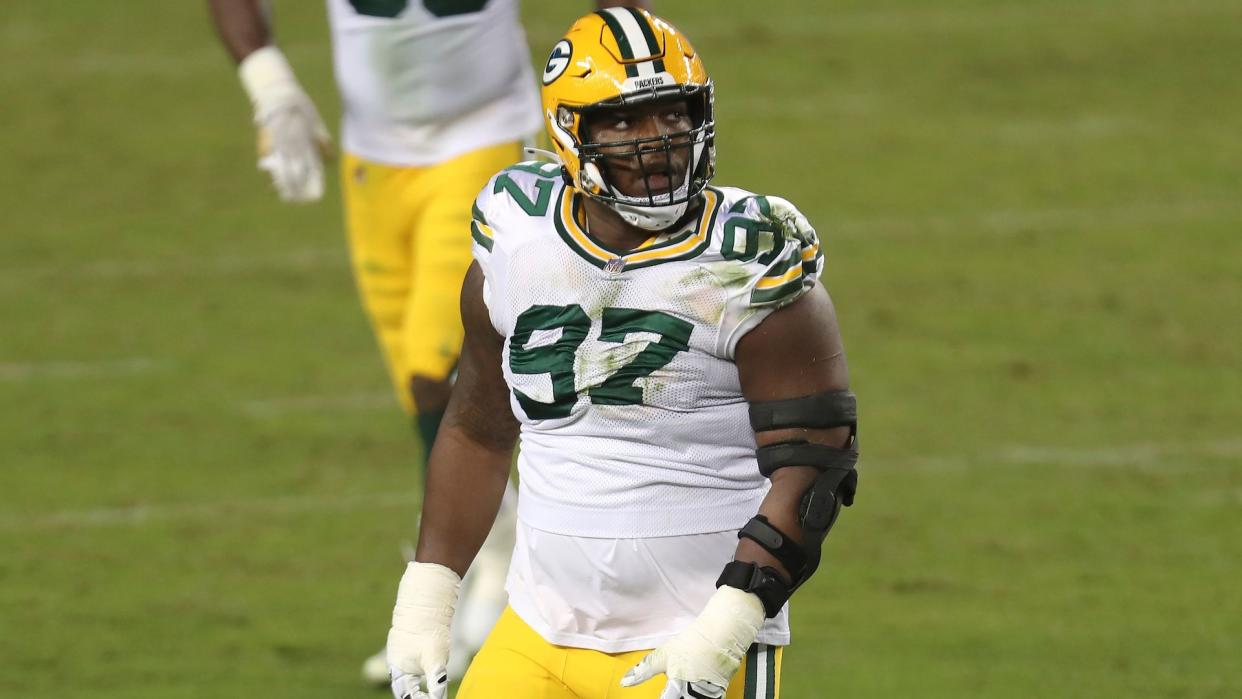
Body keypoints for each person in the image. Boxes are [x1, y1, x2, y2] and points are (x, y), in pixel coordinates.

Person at [383, 8, 861, 699]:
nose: (658, 139)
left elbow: (817, 467)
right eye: (624, 121)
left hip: (686, 640)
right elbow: (478, 426)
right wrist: (427, 594)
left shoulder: (748, 260)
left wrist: (730, 621)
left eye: (673, 113)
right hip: (536, 630)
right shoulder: (518, 236)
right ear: (570, 133)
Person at [205, 0, 648, 684]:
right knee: (423, 395)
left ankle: (468, 589)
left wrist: (621, 91)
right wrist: (270, 84)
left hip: (482, 138)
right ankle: (491, 571)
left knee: (435, 370)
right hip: (373, 159)